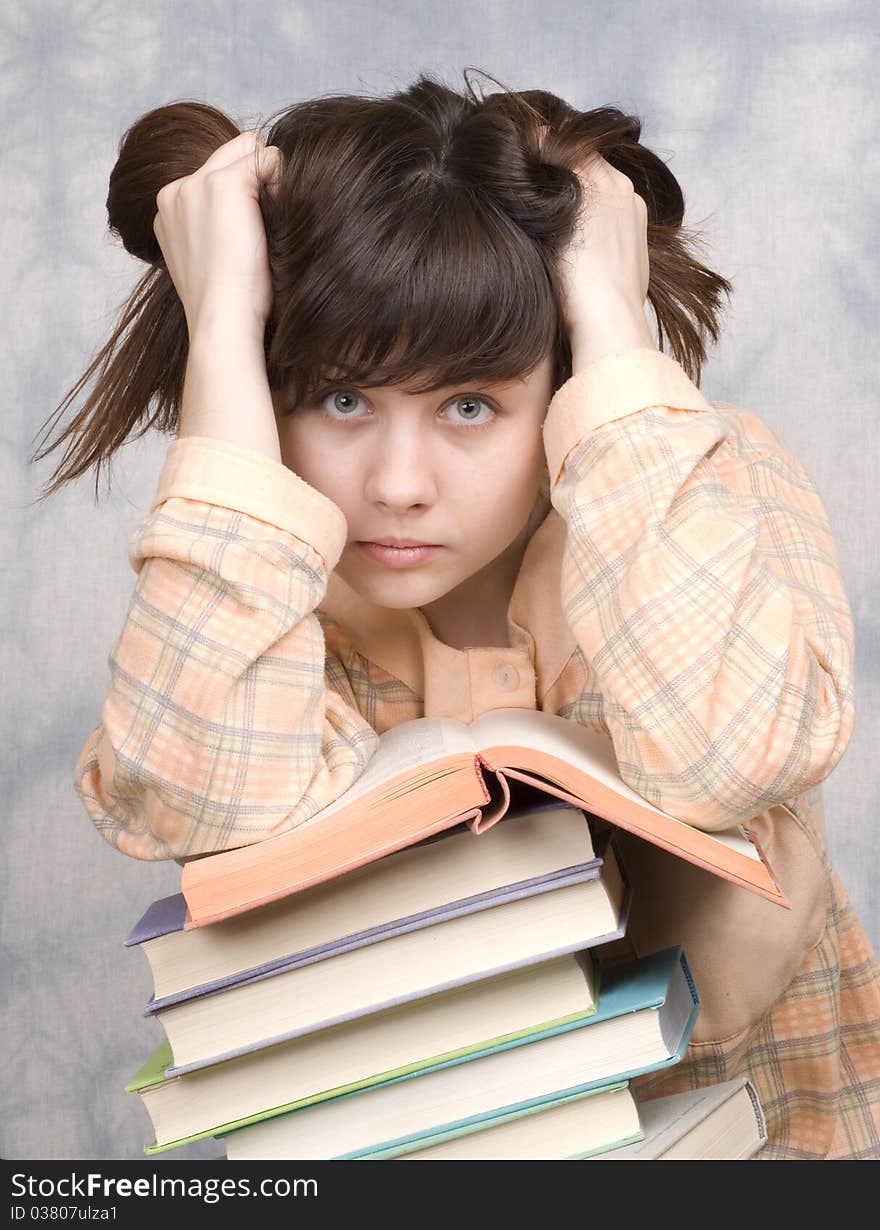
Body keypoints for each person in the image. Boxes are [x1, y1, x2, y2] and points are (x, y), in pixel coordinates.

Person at [31, 71, 880, 1159]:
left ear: (561, 377)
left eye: (468, 406)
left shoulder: (691, 488)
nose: (397, 482)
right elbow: (188, 803)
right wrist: (225, 340)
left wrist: (611, 325)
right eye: (339, 399)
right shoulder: (252, 579)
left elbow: (733, 760)